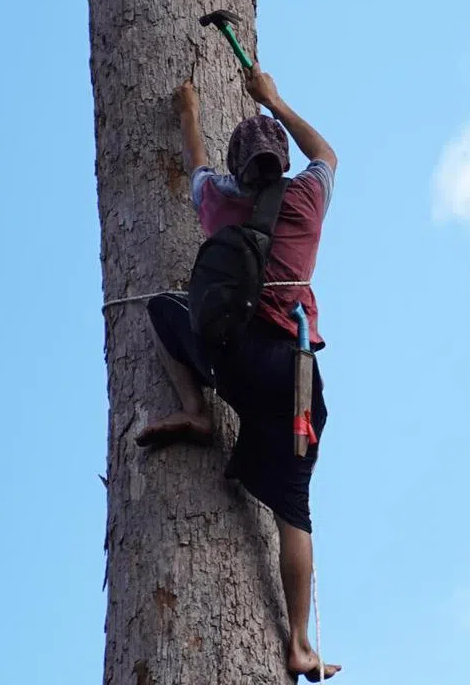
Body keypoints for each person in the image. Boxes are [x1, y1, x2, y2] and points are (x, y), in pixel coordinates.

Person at [137, 63, 341, 682]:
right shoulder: (306, 199)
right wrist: (273, 99)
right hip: (297, 377)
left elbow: (196, 164)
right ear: (282, 164)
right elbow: (326, 154)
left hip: (239, 361)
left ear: (238, 167)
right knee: (293, 510)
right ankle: (299, 642)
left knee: (164, 309)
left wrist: (189, 114)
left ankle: (196, 412)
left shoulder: (220, 202)